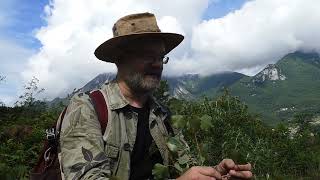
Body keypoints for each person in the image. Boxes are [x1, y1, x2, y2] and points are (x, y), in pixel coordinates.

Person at [59, 12, 252, 180]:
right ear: (119, 59)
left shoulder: (163, 117)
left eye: (161, 57)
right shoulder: (88, 108)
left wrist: (216, 174)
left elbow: (184, 169)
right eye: (147, 55)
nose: (158, 64)